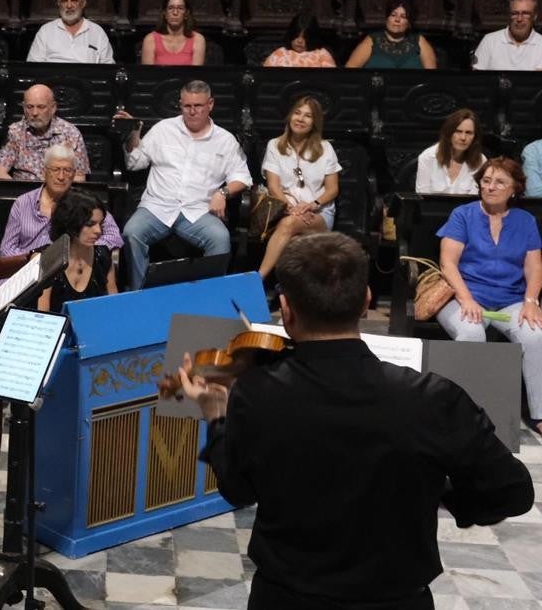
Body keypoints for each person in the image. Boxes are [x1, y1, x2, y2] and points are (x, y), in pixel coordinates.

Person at [177, 231, 534, 610]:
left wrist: (217, 418)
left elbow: (238, 490)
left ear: (287, 309)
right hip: (395, 601)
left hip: (287, 598)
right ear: (366, 301)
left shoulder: (256, 392)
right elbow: (514, 492)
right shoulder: (433, 398)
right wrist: (447, 496)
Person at [436, 157, 542, 435]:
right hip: (464, 296)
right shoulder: (463, 215)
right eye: (486, 180)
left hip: (511, 299)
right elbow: (448, 263)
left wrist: (531, 302)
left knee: (535, 333)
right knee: (471, 333)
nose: (491, 187)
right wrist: (467, 299)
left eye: (499, 182)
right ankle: (469, 414)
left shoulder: (525, 220)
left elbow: (534, 266)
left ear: (514, 189)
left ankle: (539, 414)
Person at [121, 80, 251, 290]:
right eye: (187, 106)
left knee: (220, 238)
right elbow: (135, 163)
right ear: (180, 105)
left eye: (198, 106)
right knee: (131, 232)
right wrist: (132, 135)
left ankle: (208, 297)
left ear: (210, 104)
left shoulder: (225, 140)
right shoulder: (164, 129)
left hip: (198, 210)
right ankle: (140, 293)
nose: (192, 111)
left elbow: (243, 177)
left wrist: (223, 192)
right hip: (157, 206)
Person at [257, 97, 341, 279]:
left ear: (314, 122)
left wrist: (312, 205)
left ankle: (258, 279)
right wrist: (290, 208)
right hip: (285, 209)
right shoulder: (274, 145)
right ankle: (289, 293)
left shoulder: (325, 148)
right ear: (289, 116)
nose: (300, 119)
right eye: (297, 113)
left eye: (308, 116)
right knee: (293, 241)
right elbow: (273, 186)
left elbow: (332, 190)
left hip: (318, 214)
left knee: (288, 225)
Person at [0, 145, 124, 257]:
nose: (61, 177)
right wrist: (31, 259)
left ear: (74, 174)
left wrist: (80, 250)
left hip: (70, 269)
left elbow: (114, 237)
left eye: (67, 170)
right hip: (27, 270)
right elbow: (6, 249)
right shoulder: (22, 203)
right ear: (44, 172)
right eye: (55, 169)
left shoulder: (85, 202)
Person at [37, 189, 118, 313]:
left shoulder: (103, 255)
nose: (98, 231)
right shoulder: (47, 258)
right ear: (70, 224)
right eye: (90, 224)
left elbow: (114, 306)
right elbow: (42, 314)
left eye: (100, 224)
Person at [0, 84, 90, 181]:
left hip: (58, 193)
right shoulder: (15, 131)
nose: (34, 113)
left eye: (41, 107)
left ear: (53, 108)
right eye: (30, 107)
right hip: (23, 192)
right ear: (24, 108)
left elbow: (79, 177)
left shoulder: (70, 133)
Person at [26, 0, 115, 64]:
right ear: (59, 3)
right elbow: (33, 66)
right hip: (52, 81)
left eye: (74, 1)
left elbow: (109, 68)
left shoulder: (97, 32)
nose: (69, 6)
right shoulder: (45, 31)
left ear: (83, 3)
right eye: (64, 1)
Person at [345, 0, 437, 69]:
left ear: (409, 22)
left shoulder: (419, 41)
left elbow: (432, 78)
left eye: (403, 16)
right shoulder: (372, 40)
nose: (397, 19)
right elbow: (350, 72)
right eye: (393, 15)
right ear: (387, 18)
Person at [415, 108, 484, 195]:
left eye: (469, 133)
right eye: (458, 131)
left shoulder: (480, 160)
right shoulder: (427, 158)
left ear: (475, 137)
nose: (463, 137)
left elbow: (475, 201)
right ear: (448, 133)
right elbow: (422, 198)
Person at [472, 0, 542, 71]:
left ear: (534, 16)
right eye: (514, 13)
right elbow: (477, 76)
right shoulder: (490, 40)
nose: (519, 19)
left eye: (525, 13)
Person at [140, 0, 206, 66]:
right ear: (165, 13)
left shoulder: (198, 39)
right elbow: (148, 75)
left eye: (180, 8)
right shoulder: (150, 39)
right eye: (171, 8)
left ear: (186, 13)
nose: (175, 13)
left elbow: (196, 75)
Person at [262, 13, 337, 68]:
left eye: (305, 37)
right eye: (296, 36)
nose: (300, 41)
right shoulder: (279, 54)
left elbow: (330, 80)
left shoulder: (322, 55)